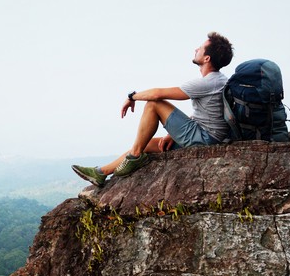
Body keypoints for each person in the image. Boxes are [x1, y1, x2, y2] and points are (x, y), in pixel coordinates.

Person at [72, 32, 234, 187]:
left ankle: (134, 156)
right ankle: (101, 173)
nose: (196, 49)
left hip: (205, 138)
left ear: (207, 58)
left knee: (153, 104)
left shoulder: (206, 83)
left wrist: (132, 97)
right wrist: (172, 134)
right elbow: (208, 114)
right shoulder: (218, 80)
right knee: (147, 143)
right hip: (207, 135)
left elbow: (157, 94)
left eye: (200, 48)